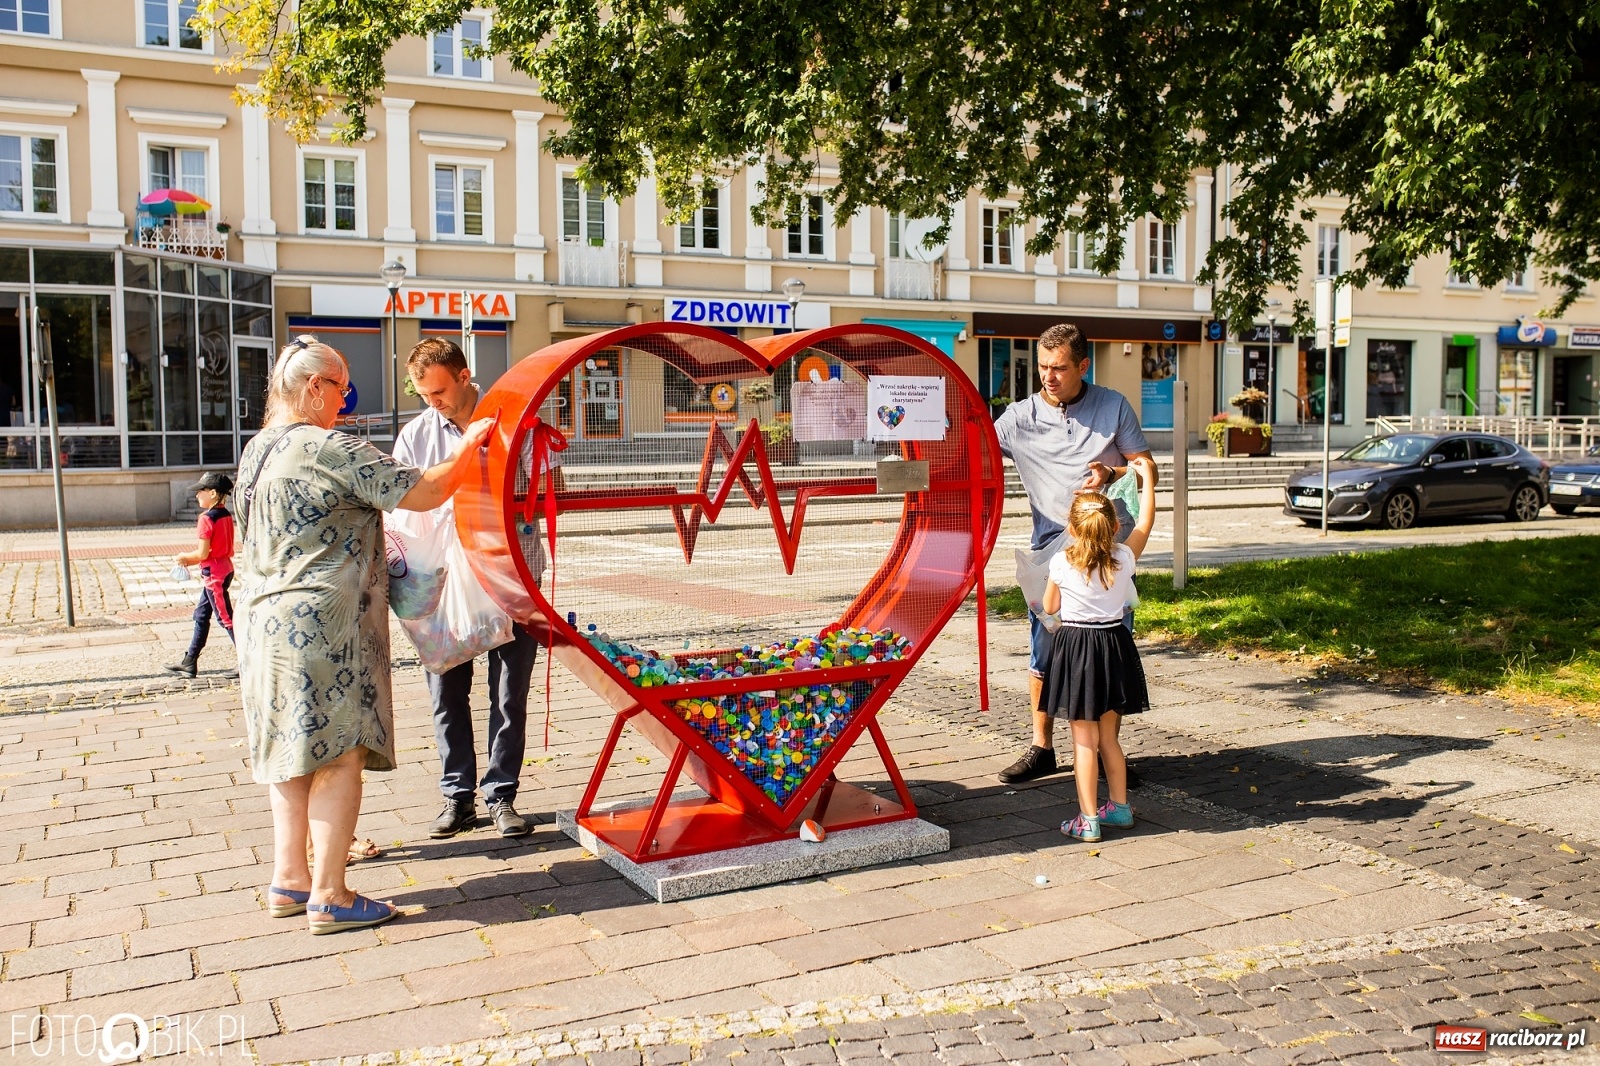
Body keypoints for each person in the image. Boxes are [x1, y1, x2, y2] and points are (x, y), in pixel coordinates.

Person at [236, 335, 494, 934]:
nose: (346, 400)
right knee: (337, 755)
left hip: (263, 626)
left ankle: (289, 880)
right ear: (312, 389)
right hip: (325, 628)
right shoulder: (326, 447)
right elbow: (426, 490)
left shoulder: (258, 450)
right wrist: (474, 442)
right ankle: (330, 893)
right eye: (342, 387)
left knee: (289, 757)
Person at [395, 338, 563, 840]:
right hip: (445, 584)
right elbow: (405, 505)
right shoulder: (416, 436)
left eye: (440, 391)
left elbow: (545, 490)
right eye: (424, 394)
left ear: (465, 375)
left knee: (509, 692)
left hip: (514, 576)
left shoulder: (516, 418)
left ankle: (502, 794)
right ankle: (457, 796)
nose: (433, 402)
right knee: (446, 688)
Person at [993, 322, 1156, 785]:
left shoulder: (1112, 405)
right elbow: (973, 453)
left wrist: (1112, 469)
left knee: (1108, 652)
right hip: (1052, 558)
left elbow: (1147, 468)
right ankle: (1041, 748)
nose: (1048, 376)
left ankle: (1107, 754)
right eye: (1043, 367)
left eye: (1060, 368)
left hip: (1106, 557)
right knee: (1043, 653)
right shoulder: (1018, 417)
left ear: (1083, 365)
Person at [1040, 459, 1156, 842]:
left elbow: (1050, 607)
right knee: (1110, 738)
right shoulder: (1123, 557)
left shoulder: (1061, 561)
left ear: (1071, 528)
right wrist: (1148, 483)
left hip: (1077, 650)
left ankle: (1087, 819)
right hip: (1113, 645)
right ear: (1114, 526)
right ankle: (1119, 808)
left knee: (1083, 741)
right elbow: (1145, 524)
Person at [165, 472, 237, 678]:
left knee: (226, 618)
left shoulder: (205, 519)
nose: (197, 495)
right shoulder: (225, 515)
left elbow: (202, 553)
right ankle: (190, 661)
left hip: (214, 574)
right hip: (224, 569)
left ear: (213, 493)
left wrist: (184, 558)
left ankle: (245, 660)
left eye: (200, 491)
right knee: (201, 615)